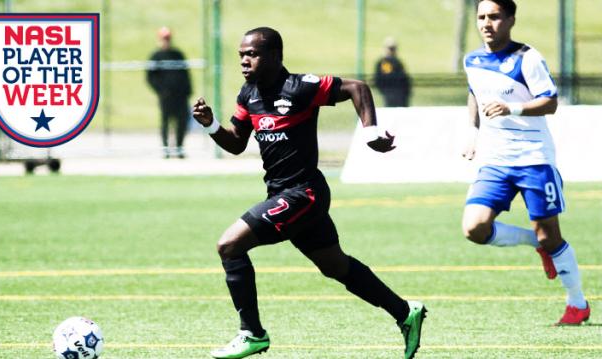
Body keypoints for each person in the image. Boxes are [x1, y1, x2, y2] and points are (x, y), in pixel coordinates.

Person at [193, 27, 427, 359]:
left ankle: (252, 333)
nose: (244, 60)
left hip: (304, 194)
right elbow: (236, 142)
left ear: (275, 55)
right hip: (284, 194)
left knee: (229, 246)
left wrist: (371, 131)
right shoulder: (249, 94)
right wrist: (211, 125)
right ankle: (405, 312)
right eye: (241, 55)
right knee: (335, 266)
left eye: (252, 54)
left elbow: (357, 88)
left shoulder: (300, 87)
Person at [461, 0, 589, 326]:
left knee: (551, 236)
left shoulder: (527, 58)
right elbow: (475, 93)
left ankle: (577, 304)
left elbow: (551, 102)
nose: (487, 23)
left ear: (511, 20)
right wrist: (471, 132)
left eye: (494, 17)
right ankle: (537, 244)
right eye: (481, 17)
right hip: (495, 160)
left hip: (534, 158)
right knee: (474, 228)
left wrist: (511, 108)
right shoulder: (472, 60)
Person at [146, 26, 192, 158]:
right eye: (164, 38)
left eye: (168, 38)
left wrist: (187, 91)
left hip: (180, 96)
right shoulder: (156, 56)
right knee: (166, 121)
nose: (166, 41)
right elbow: (150, 77)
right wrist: (161, 90)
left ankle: (179, 148)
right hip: (166, 97)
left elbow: (186, 75)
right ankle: (166, 149)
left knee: (181, 122)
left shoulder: (178, 55)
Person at [374, 37, 411, 107]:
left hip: (402, 95)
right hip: (390, 94)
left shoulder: (398, 62)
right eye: (390, 48)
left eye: (393, 48)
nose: (392, 50)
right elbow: (383, 78)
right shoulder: (384, 62)